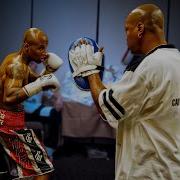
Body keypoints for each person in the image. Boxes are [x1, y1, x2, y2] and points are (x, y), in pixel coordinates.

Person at [69, 4, 180, 179]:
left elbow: (104, 107)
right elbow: (118, 104)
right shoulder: (176, 59)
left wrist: (90, 72)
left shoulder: (148, 66)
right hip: (172, 168)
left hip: (146, 172)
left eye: (127, 30)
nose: (126, 37)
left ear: (140, 29)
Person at [0, 27, 62, 180]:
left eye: (45, 48)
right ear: (27, 46)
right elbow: (9, 97)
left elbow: (39, 81)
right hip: (8, 125)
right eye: (40, 47)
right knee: (44, 169)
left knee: (15, 173)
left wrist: (49, 69)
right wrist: (39, 85)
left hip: (10, 121)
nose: (44, 52)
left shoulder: (18, 60)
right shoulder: (17, 66)